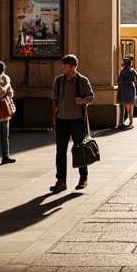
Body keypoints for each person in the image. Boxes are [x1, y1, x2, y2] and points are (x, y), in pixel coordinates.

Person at [51, 54, 94, 191]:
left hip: (77, 120)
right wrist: (54, 119)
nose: (66, 68)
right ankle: (61, 181)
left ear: (74, 66)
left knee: (79, 149)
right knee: (60, 151)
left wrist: (83, 101)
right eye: (64, 66)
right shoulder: (58, 80)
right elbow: (54, 99)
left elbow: (91, 97)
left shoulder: (82, 80)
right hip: (62, 120)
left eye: (68, 66)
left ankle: (83, 177)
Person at [118, 56, 137, 128]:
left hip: (124, 86)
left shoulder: (122, 71)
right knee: (131, 105)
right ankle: (131, 121)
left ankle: (123, 121)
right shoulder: (132, 70)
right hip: (131, 86)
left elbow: (118, 79)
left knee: (125, 104)